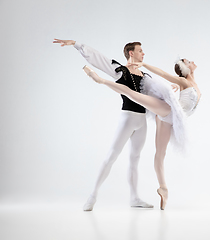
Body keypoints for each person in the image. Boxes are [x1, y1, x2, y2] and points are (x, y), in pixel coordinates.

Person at [83, 57, 201, 210]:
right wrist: (144, 64)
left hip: (171, 119)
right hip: (168, 111)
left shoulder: (190, 84)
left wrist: (173, 88)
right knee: (135, 95)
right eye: (189, 61)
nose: (192, 61)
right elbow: (164, 74)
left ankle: (163, 188)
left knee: (160, 154)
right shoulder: (184, 81)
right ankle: (101, 80)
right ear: (185, 68)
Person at [53, 39, 153, 211]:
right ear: (131, 53)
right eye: (140, 51)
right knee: (111, 156)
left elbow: (158, 95)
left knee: (135, 159)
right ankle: (92, 196)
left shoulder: (146, 76)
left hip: (142, 121)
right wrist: (77, 44)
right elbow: (99, 59)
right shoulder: (120, 70)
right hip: (127, 118)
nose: (143, 53)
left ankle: (134, 197)